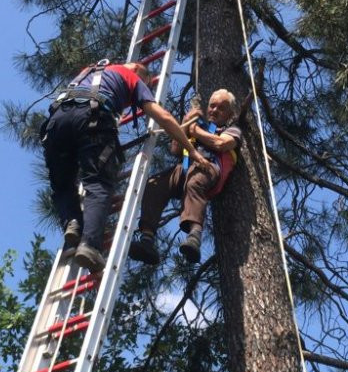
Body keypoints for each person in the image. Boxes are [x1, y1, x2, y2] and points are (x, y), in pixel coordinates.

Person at [42, 60, 211, 272]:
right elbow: (164, 117)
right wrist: (192, 150)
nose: (146, 88)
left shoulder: (90, 71)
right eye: (148, 83)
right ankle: (89, 246)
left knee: (62, 185)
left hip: (56, 123)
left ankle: (73, 223)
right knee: (98, 183)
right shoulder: (131, 77)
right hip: (92, 117)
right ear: (139, 70)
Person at [128, 89, 242, 265]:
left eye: (222, 107)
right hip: (184, 168)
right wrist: (186, 123)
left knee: (195, 180)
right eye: (212, 106)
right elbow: (175, 150)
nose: (215, 110)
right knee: (154, 185)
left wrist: (194, 131)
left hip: (208, 167)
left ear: (229, 114)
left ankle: (194, 235)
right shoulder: (198, 124)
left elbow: (220, 143)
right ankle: (147, 238)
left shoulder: (231, 129)